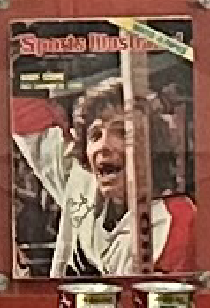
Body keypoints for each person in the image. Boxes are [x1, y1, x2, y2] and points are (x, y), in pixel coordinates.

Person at [18, 73, 199, 277]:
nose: (103, 146)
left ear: (152, 147)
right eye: (95, 135)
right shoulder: (80, 181)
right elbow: (24, 113)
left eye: (122, 133)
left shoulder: (172, 221)